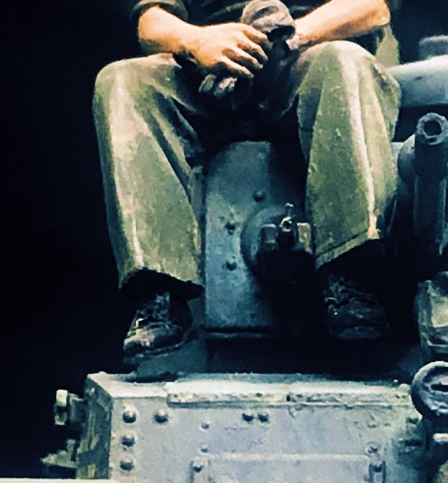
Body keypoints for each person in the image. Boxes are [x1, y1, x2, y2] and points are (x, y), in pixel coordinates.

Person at [93, 0, 401, 364]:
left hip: (310, 57)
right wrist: (197, 42)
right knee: (122, 81)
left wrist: (287, 39)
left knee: (346, 63)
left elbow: (374, 7)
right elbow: (151, 19)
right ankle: (160, 294)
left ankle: (348, 276)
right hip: (208, 70)